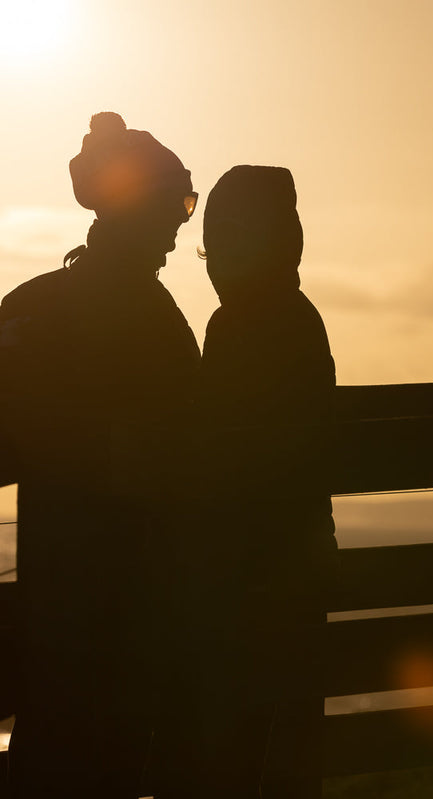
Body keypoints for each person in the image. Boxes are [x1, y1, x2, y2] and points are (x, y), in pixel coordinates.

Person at [0, 112, 200, 799]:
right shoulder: (153, 320)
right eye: (177, 201)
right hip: (130, 623)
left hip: (55, 617)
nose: (183, 222)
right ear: (135, 206)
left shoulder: (30, 307)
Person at [197, 165, 337, 798]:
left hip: (246, 582)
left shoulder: (238, 329)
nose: (209, 262)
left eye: (218, 245)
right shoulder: (299, 319)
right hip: (298, 571)